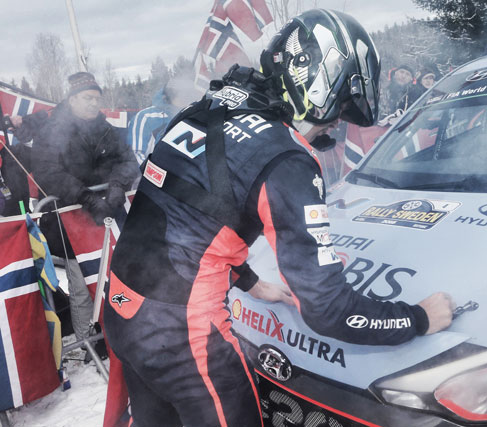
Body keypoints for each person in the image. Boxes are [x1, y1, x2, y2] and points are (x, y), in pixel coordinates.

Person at [104, 9, 454, 427]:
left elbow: (188, 219)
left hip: (121, 308)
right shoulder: (286, 159)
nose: (336, 124)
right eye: (341, 108)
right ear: (320, 88)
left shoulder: (208, 107)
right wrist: (417, 318)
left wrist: (250, 282)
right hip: (183, 338)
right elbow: (328, 309)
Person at [16, 72, 139, 348]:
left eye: (97, 98)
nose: (94, 103)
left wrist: (118, 185)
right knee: (82, 285)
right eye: (87, 98)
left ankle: (119, 333)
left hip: (109, 214)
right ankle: (88, 343)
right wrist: (85, 197)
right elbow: (47, 172)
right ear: (72, 99)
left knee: (116, 276)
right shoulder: (51, 131)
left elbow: (128, 160)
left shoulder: (106, 128)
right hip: (69, 219)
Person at [128, 74, 202, 164]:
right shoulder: (146, 117)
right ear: (171, 94)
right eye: (185, 93)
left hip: (186, 171)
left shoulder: (195, 118)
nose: (189, 98)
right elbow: (135, 155)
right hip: (154, 170)